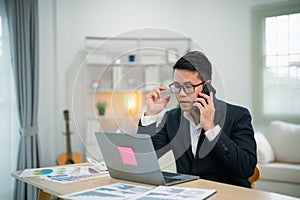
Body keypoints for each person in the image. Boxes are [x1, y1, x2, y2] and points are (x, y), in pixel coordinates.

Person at [137, 51, 257, 188]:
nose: (181, 94)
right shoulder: (172, 118)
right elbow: (143, 159)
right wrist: (150, 116)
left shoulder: (238, 116)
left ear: (207, 86)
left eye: (188, 87)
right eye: (177, 86)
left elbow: (246, 169)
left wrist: (211, 129)